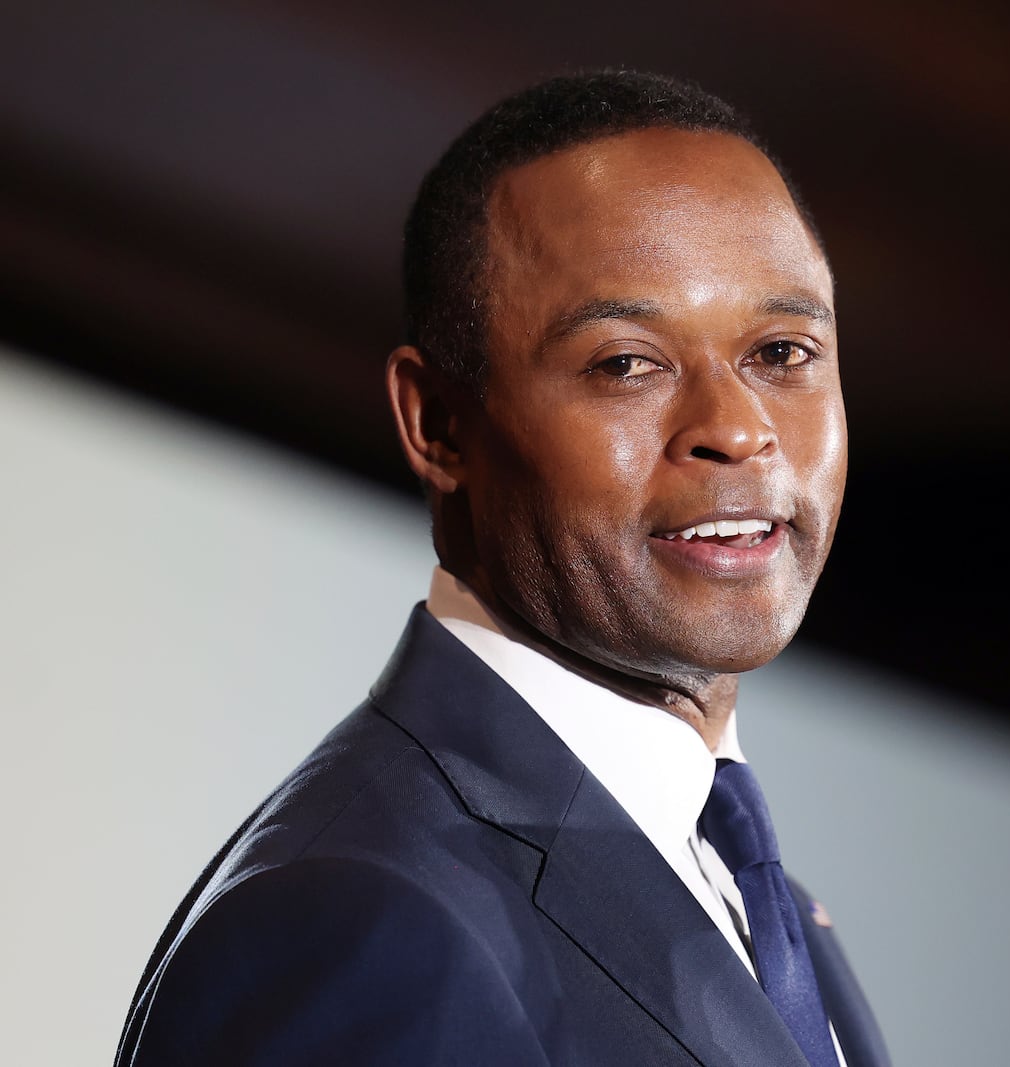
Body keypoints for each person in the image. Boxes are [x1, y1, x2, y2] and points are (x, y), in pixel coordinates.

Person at [114, 69, 889, 1067]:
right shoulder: (363, 921)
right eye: (626, 362)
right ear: (438, 422)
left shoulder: (754, 890)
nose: (737, 428)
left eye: (783, 351)